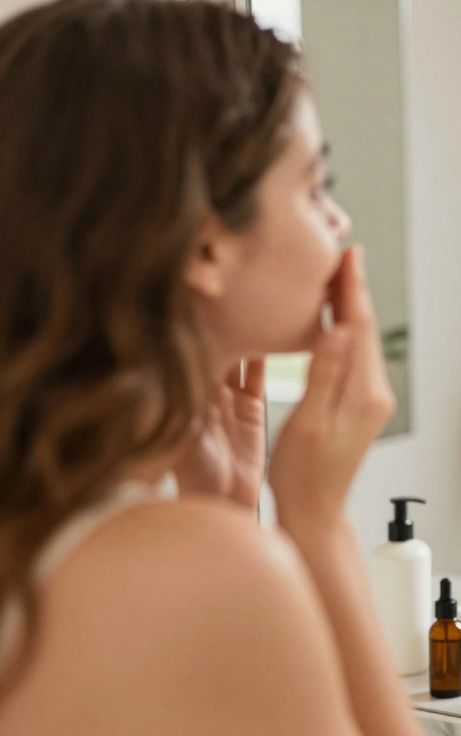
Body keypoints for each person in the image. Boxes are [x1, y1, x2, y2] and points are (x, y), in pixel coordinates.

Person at [0, 1, 421, 733]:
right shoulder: (209, 576)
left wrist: (221, 509)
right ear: (203, 248)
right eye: (316, 187)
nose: (339, 223)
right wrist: (314, 523)